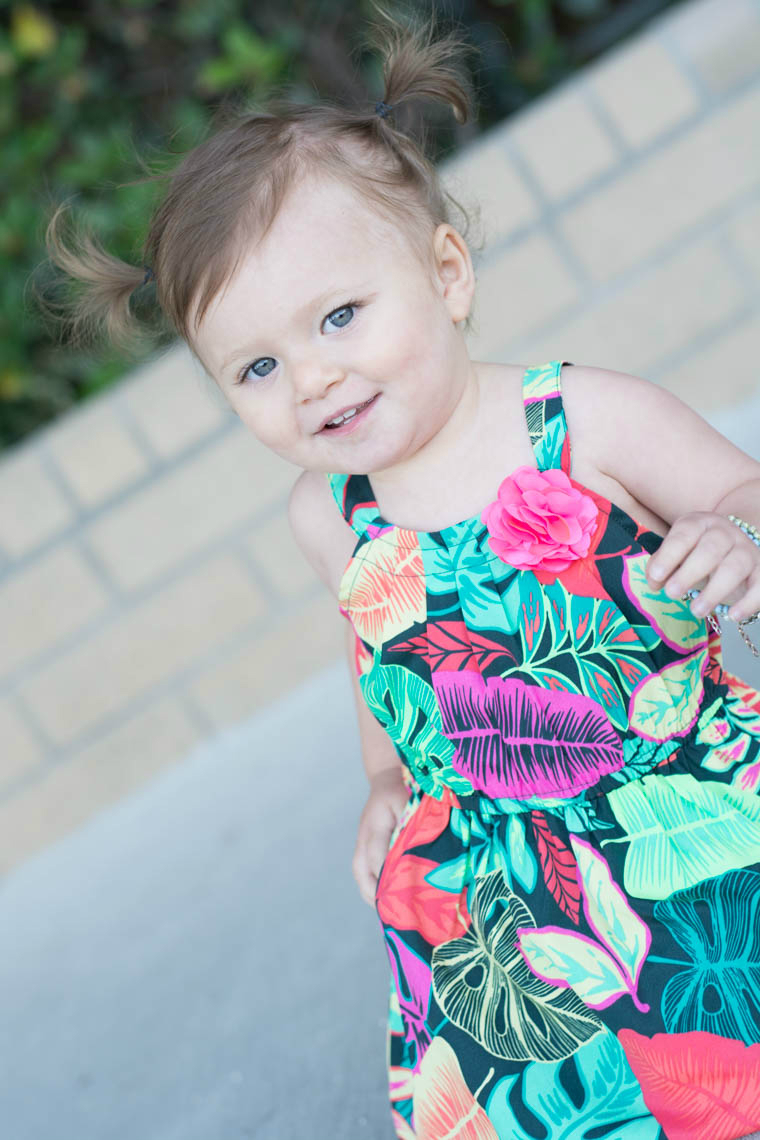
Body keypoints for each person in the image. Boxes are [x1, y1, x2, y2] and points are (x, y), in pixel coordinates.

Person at [45, 7, 760, 1138]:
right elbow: (375, 643)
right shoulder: (328, 513)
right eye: (258, 366)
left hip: (692, 811)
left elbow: (737, 491)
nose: (313, 380)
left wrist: (736, 535)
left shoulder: (574, 418)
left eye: (339, 316)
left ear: (446, 272)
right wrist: (383, 782)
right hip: (496, 896)